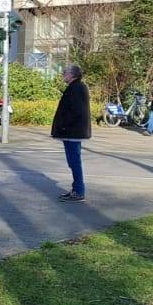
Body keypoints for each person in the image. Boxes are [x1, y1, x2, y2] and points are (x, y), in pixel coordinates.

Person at [51, 65, 92, 203]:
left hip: (73, 131)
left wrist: (63, 125)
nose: (63, 74)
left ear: (73, 75)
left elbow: (76, 111)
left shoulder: (76, 88)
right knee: (73, 161)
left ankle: (79, 191)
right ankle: (76, 189)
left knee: (74, 161)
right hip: (72, 131)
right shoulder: (76, 87)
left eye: (65, 72)